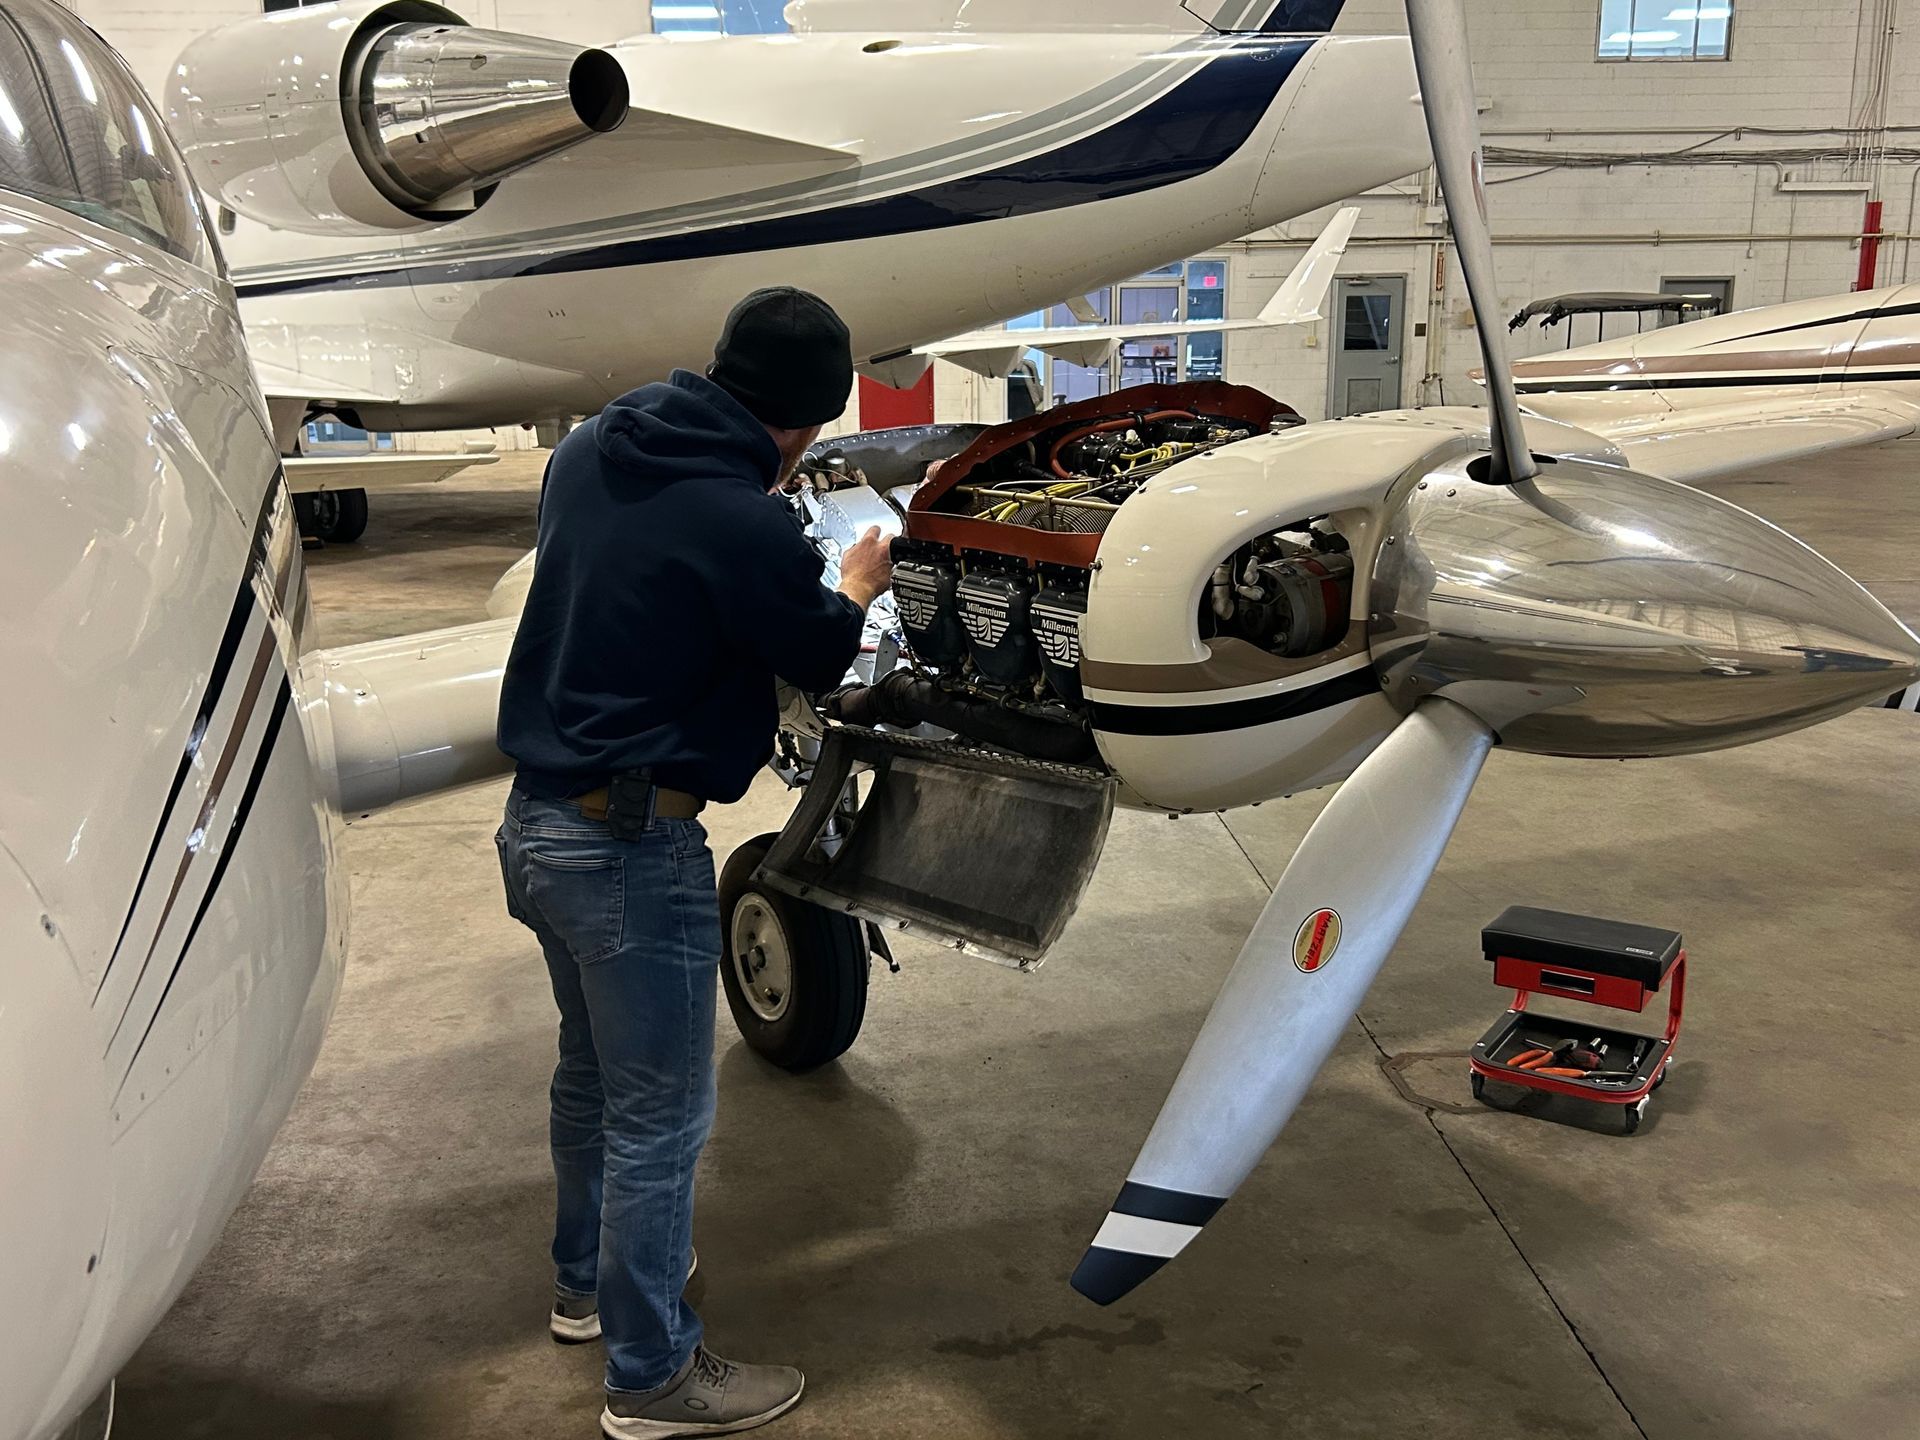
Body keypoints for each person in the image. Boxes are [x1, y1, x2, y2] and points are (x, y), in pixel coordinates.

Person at [494, 287, 893, 1438]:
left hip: (536, 828)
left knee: (591, 1075)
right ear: (804, 427)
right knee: (661, 1119)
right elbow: (820, 652)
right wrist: (852, 584)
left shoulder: (587, 449)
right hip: (631, 846)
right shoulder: (746, 519)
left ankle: (587, 1289)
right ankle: (654, 1378)